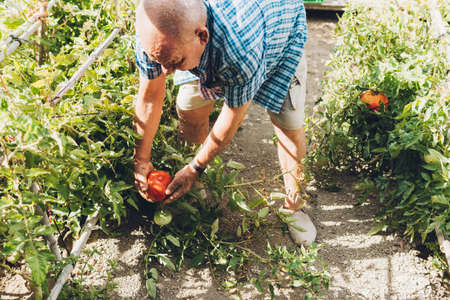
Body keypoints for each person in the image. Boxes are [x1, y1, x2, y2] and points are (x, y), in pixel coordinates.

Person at [133, 0, 317, 245]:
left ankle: (294, 207)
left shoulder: (241, 50)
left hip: (277, 32)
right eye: (159, 61)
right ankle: (193, 184)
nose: (166, 71)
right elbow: (149, 97)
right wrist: (141, 160)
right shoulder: (155, 31)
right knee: (189, 106)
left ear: (202, 36)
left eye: (175, 63)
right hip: (196, 44)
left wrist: (195, 168)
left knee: (288, 123)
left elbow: (232, 116)